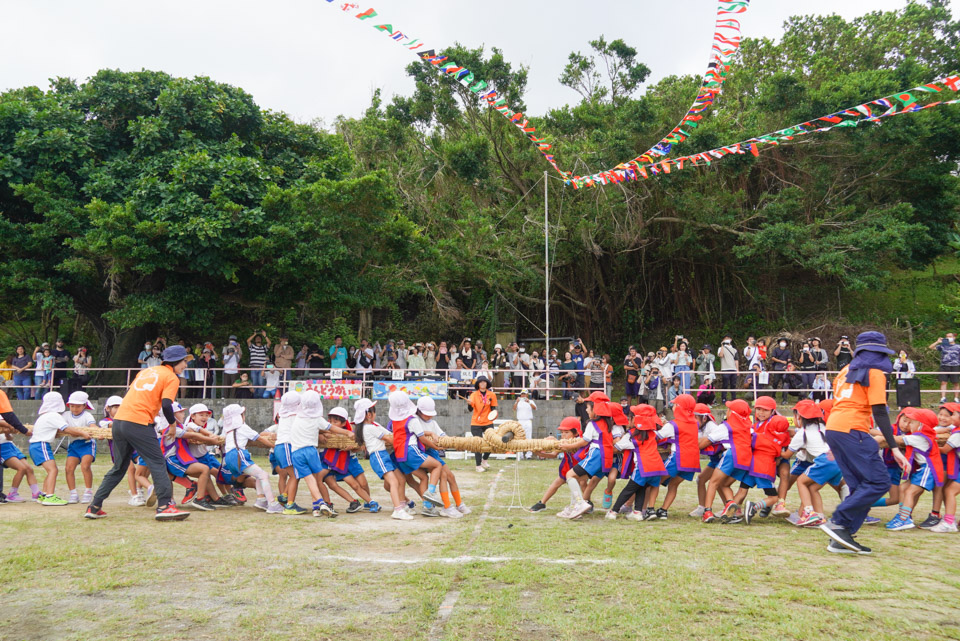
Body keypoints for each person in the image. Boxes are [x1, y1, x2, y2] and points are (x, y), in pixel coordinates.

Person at [819, 331, 907, 555]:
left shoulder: (845, 370)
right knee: (879, 482)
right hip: (853, 429)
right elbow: (879, 411)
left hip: (835, 429)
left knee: (860, 487)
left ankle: (842, 538)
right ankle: (839, 522)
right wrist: (894, 448)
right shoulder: (875, 373)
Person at [84, 345, 194, 521]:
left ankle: (94, 506)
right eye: (184, 362)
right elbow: (167, 405)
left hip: (119, 422)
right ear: (175, 362)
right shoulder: (171, 377)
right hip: (139, 422)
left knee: (119, 467)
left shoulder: (145, 372)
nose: (186, 366)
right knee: (157, 462)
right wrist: (172, 424)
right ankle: (165, 506)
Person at [880, 406, 945, 531]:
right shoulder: (920, 434)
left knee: (910, 492)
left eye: (913, 422)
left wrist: (879, 438)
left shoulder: (919, 437)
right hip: (922, 469)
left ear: (922, 425)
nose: (909, 424)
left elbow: (897, 439)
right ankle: (904, 516)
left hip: (928, 469)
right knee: (903, 488)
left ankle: (904, 519)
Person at [354, 398, 412, 521]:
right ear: (369, 414)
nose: (375, 414)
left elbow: (389, 434)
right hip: (378, 456)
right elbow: (389, 438)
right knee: (394, 482)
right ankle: (398, 509)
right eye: (374, 412)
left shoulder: (373, 426)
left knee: (400, 479)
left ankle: (402, 504)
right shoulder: (370, 428)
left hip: (383, 455)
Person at [221, 404, 283, 514]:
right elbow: (260, 438)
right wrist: (274, 446)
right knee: (264, 475)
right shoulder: (243, 427)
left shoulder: (229, 430)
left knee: (260, 474)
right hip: (238, 455)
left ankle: (261, 500)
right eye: (242, 414)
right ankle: (272, 503)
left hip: (230, 457)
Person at [30, 392, 90, 506]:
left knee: (50, 471)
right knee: (53, 470)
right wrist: (83, 433)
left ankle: (44, 494)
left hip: (35, 446)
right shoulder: (54, 416)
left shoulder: (44, 416)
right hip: (41, 445)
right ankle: (50, 496)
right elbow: (67, 429)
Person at [416, 396, 469, 517]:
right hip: (423, 453)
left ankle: (459, 504)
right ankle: (446, 506)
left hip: (434, 453)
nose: (429, 416)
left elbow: (443, 436)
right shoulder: (415, 420)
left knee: (451, 476)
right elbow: (415, 433)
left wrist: (455, 443)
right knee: (443, 475)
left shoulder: (433, 423)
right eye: (426, 414)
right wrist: (430, 435)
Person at [652, 394, 700, 519]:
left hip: (678, 457)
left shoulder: (673, 425)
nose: (673, 407)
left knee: (655, 481)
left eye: (674, 405)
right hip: (692, 460)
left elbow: (657, 436)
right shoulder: (695, 423)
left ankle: (649, 508)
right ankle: (663, 510)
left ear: (679, 407)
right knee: (673, 485)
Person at [529, 417, 588, 513]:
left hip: (580, 466)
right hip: (567, 466)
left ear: (576, 432)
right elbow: (553, 454)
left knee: (583, 484)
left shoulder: (580, 441)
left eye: (567, 432)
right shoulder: (562, 441)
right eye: (562, 432)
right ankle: (542, 503)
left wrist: (555, 440)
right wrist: (540, 454)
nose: (563, 435)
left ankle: (586, 503)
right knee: (556, 483)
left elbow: (571, 448)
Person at [0, 388, 38, 503]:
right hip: (2, 447)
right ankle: (13, 493)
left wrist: (9, 431)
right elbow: (6, 420)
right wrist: (18, 428)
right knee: (21, 468)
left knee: (28, 468)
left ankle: (36, 493)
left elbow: (8, 433)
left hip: (9, 445)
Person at [62, 391, 99, 504]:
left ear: (84, 405)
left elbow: (92, 426)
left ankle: (88, 491)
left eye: (78, 406)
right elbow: (63, 428)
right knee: (69, 468)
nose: (74, 408)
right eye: (72, 406)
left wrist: (99, 433)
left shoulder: (87, 415)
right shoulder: (66, 415)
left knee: (85, 466)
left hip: (87, 443)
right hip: (74, 445)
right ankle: (73, 493)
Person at [932, 404, 960, 533]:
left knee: (949, 491)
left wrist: (929, 447)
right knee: (949, 490)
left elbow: (945, 450)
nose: (950, 418)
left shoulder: (957, 434)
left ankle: (949, 522)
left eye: (953, 415)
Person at [468, 377, 498, 472]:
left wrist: (494, 415)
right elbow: (470, 409)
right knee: (478, 443)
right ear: (478, 384)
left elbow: (493, 408)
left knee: (493, 441)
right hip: (476, 423)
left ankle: (484, 459)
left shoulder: (492, 394)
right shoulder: (473, 395)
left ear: (487, 383)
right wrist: (469, 404)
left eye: (484, 382)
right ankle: (478, 465)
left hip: (488, 422)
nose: (482, 383)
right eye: (480, 382)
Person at [931, 333, 960, 403]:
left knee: (955, 382)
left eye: (950, 336)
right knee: (943, 382)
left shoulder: (958, 346)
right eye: (947, 336)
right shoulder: (943, 346)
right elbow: (931, 347)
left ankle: (956, 398)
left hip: (955, 366)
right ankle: (943, 398)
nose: (948, 338)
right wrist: (937, 342)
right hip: (944, 366)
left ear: (954, 337)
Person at [514, 389, 537, 459]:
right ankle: (520, 454)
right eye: (522, 394)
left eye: (524, 394)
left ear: (527, 395)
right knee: (519, 437)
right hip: (520, 421)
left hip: (527, 420)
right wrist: (517, 402)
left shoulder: (531, 401)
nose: (523, 395)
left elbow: (535, 408)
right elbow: (514, 408)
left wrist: (529, 402)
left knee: (528, 437)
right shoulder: (518, 402)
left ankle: (528, 454)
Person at [718, 337, 738, 403]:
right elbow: (721, 355)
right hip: (725, 369)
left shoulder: (734, 349)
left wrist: (737, 369)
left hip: (733, 369)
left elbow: (736, 360)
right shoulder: (720, 348)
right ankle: (723, 398)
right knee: (725, 384)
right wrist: (722, 345)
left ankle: (734, 398)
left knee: (733, 384)